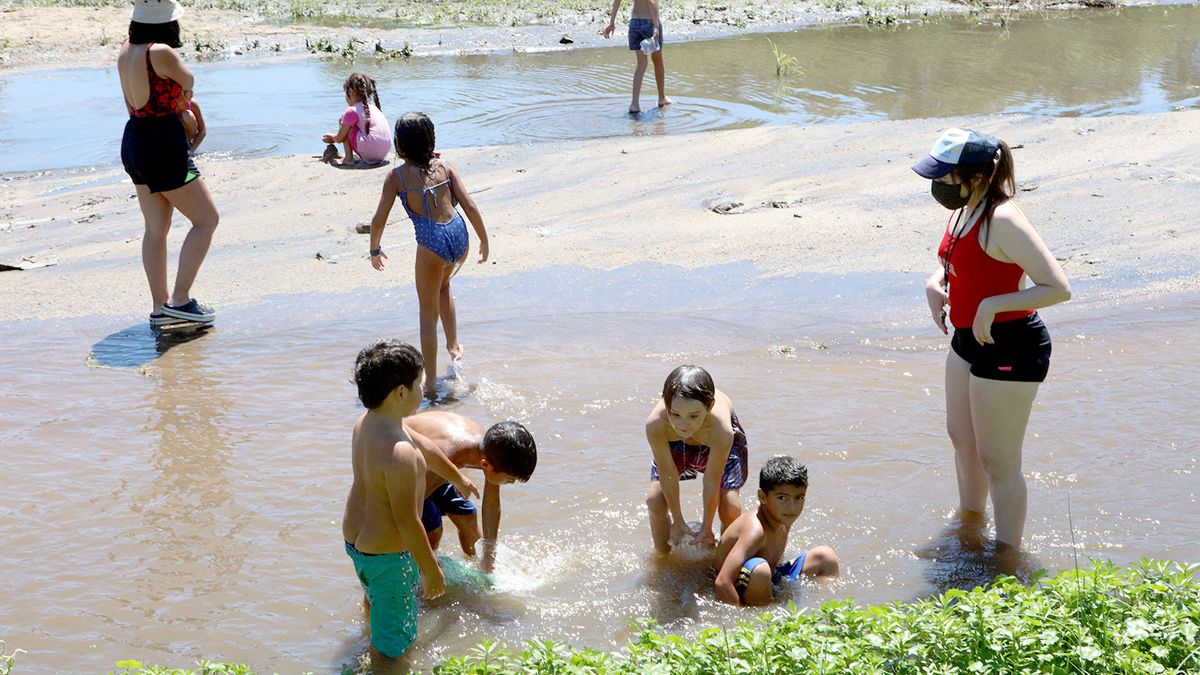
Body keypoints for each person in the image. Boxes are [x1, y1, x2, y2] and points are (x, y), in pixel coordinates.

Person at [914, 127, 1071, 551]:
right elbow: (959, 263)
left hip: (1010, 343)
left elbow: (1057, 287)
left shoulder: (1002, 218)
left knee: (999, 461)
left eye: (944, 176)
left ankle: (1007, 559)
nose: (937, 185)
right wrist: (935, 281)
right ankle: (969, 526)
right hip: (966, 339)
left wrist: (992, 306)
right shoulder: (964, 208)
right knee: (962, 441)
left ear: (977, 176)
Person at [367, 112, 490, 399]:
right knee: (444, 286)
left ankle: (431, 382)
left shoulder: (396, 177)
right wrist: (484, 240)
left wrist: (375, 247)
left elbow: (379, 219)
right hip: (459, 237)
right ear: (431, 140)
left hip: (432, 242)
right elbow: (469, 205)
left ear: (398, 145)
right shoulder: (445, 167)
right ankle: (454, 347)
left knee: (426, 315)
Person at [341, 340, 447, 664]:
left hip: (356, 544)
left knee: (375, 601)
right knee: (396, 647)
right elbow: (407, 521)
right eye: (421, 383)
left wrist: (457, 477)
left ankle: (368, 634)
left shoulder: (367, 424)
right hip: (389, 556)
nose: (424, 389)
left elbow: (426, 446)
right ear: (401, 392)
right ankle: (384, 664)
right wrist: (430, 571)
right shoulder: (400, 453)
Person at [118, 0, 218, 326]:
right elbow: (189, 81)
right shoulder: (160, 52)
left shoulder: (124, 51)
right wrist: (185, 107)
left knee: (155, 229)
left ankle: (160, 308)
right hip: (162, 141)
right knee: (207, 220)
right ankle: (181, 299)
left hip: (134, 138)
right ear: (166, 23)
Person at [404, 412, 537, 558]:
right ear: (485, 465)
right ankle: (422, 570)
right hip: (411, 468)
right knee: (433, 529)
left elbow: (491, 505)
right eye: (509, 479)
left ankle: (479, 569)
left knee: (467, 516)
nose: (510, 483)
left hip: (441, 466)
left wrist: (489, 557)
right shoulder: (449, 454)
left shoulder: (493, 449)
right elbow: (408, 509)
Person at [645, 365, 748, 554]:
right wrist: (677, 521)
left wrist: (707, 527)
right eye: (675, 414)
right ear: (665, 404)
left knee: (730, 507)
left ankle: (725, 559)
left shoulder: (721, 430)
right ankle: (662, 558)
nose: (683, 425)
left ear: (709, 407)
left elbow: (712, 480)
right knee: (655, 500)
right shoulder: (656, 425)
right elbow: (667, 474)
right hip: (673, 443)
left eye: (693, 416)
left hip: (713, 442)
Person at [713, 456, 838, 606]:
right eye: (782, 498)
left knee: (826, 557)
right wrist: (742, 617)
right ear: (762, 497)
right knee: (761, 571)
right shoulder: (755, 531)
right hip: (748, 581)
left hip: (772, 575)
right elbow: (722, 582)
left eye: (799, 497)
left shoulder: (783, 517)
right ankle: (765, 620)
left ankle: (829, 610)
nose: (792, 507)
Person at [601, 0, 672, 113]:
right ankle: (661, 98)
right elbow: (652, 2)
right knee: (657, 61)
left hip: (634, 23)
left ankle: (634, 104)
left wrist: (612, 23)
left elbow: (617, 1)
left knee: (641, 64)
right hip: (649, 22)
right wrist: (656, 27)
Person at [323, 72, 392, 166]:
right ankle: (355, 156)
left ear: (351, 92)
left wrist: (332, 138)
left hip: (371, 151)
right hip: (384, 152)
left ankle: (348, 159)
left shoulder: (351, 110)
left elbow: (339, 138)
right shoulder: (374, 108)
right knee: (352, 124)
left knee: (343, 120)